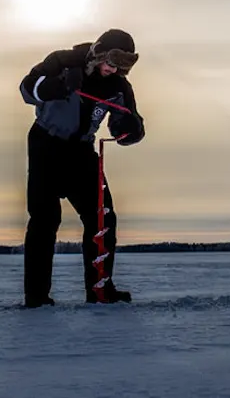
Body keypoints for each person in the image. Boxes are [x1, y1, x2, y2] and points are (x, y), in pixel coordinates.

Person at [17, 28, 146, 308]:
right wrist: (58, 85)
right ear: (98, 53)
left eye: (122, 67)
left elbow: (129, 125)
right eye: (111, 62)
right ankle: (36, 297)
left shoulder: (119, 88)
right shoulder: (64, 61)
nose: (113, 70)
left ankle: (100, 290)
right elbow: (27, 89)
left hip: (82, 152)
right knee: (44, 219)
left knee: (102, 219)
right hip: (45, 145)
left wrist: (129, 130)